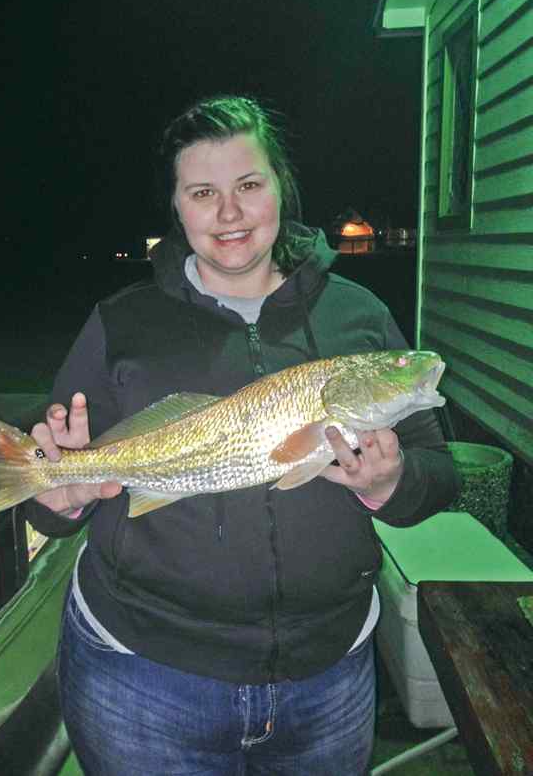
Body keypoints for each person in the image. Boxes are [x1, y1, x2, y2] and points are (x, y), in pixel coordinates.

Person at [24, 95, 459, 776]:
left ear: (281, 186)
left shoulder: (360, 319)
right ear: (177, 207)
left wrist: (392, 483)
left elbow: (440, 472)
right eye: (203, 192)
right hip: (142, 678)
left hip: (329, 679)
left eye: (250, 185)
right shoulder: (121, 323)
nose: (229, 213)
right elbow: (44, 504)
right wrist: (59, 495)